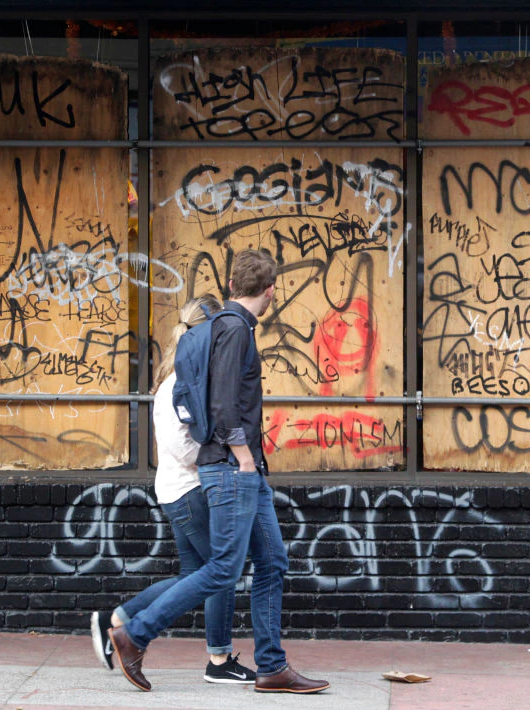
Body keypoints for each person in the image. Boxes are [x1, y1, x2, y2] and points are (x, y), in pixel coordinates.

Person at [109, 248, 329, 694]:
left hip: (243, 469)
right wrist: (245, 459)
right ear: (271, 290)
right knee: (224, 567)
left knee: (272, 562)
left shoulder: (224, 328)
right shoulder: (233, 331)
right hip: (233, 469)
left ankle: (271, 666)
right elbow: (224, 404)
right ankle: (136, 633)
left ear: (231, 285)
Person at [90, 294, 256, 685]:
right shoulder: (180, 384)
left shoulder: (179, 378)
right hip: (189, 491)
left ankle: (117, 619)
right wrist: (224, 449)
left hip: (178, 491)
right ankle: (215, 660)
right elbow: (182, 447)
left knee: (195, 575)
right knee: (220, 571)